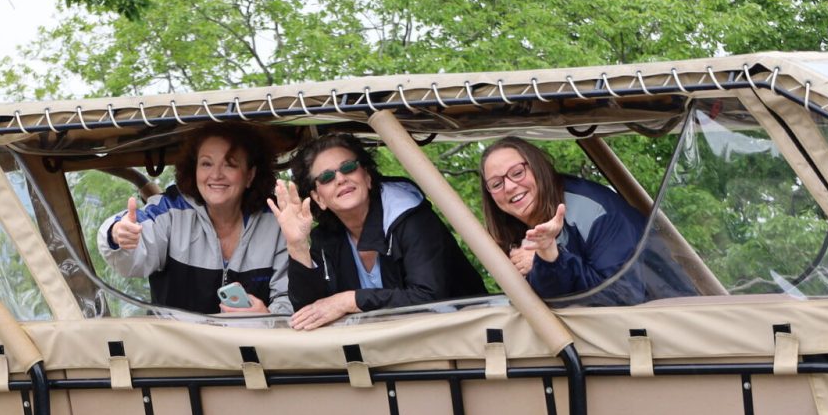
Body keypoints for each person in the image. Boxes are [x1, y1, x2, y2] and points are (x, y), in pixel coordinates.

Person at [271, 133, 487, 331]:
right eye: (327, 177)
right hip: (381, 354)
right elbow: (310, 313)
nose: (340, 179)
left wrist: (350, 301)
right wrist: (298, 245)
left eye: (348, 168)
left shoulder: (411, 218)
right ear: (319, 198)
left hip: (460, 339)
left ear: (367, 177)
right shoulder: (325, 238)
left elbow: (428, 297)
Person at [100, 122, 293, 316]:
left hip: (250, 343)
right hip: (173, 344)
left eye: (230, 164)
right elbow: (133, 259)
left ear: (250, 175)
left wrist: (267, 317)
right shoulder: (170, 210)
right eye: (206, 164)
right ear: (194, 170)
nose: (216, 174)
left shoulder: (275, 219)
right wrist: (117, 234)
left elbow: (290, 298)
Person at [478, 137, 650, 306]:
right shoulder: (510, 232)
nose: (509, 187)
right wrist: (544, 265)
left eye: (517, 173)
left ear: (538, 168)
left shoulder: (594, 210)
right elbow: (553, 298)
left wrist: (549, 259)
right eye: (496, 184)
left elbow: (624, 296)